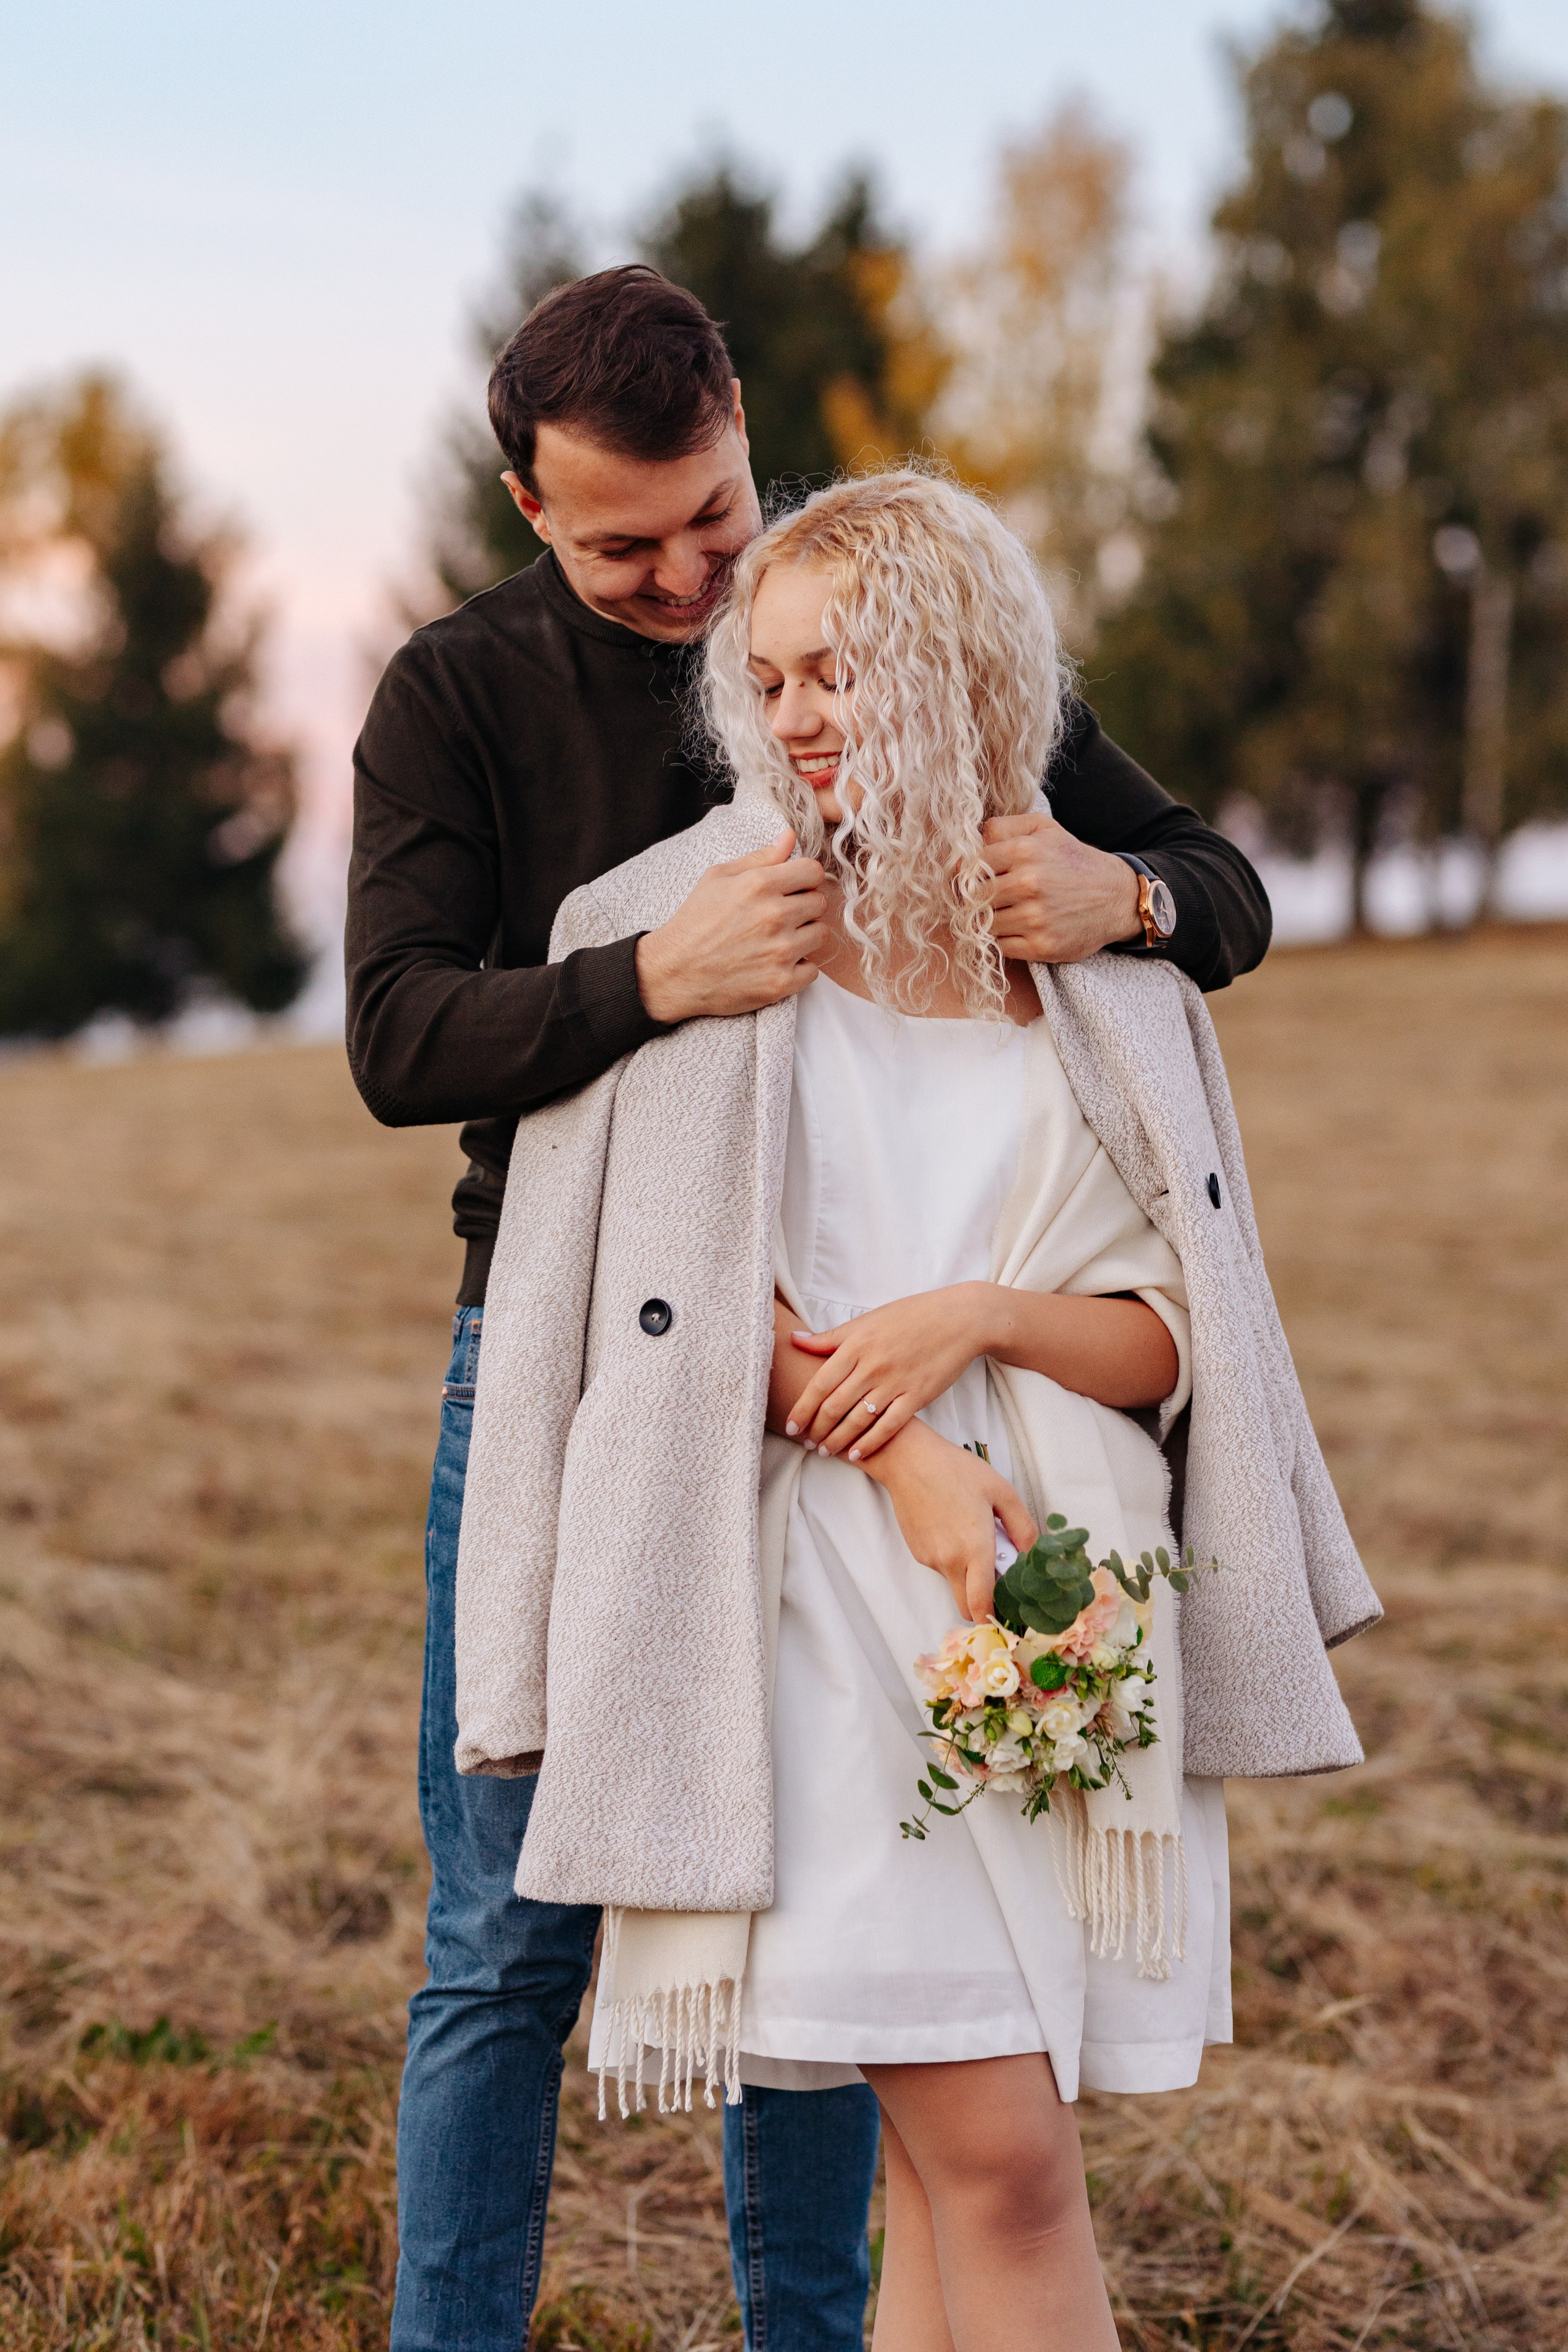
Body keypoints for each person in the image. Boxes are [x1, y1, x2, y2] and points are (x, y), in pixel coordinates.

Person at [347, 268, 1273, 2352]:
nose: (694, 583)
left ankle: (812, 2324)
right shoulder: (460, 695)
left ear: (747, 435)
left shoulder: (881, 622)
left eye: (717, 514)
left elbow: (1211, 888)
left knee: (856, 1975)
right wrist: (647, 982)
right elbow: (398, 1035)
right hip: (588, 1335)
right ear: (531, 507)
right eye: (631, 550)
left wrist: (1128, 897)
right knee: (506, 1930)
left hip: (912, 1382)